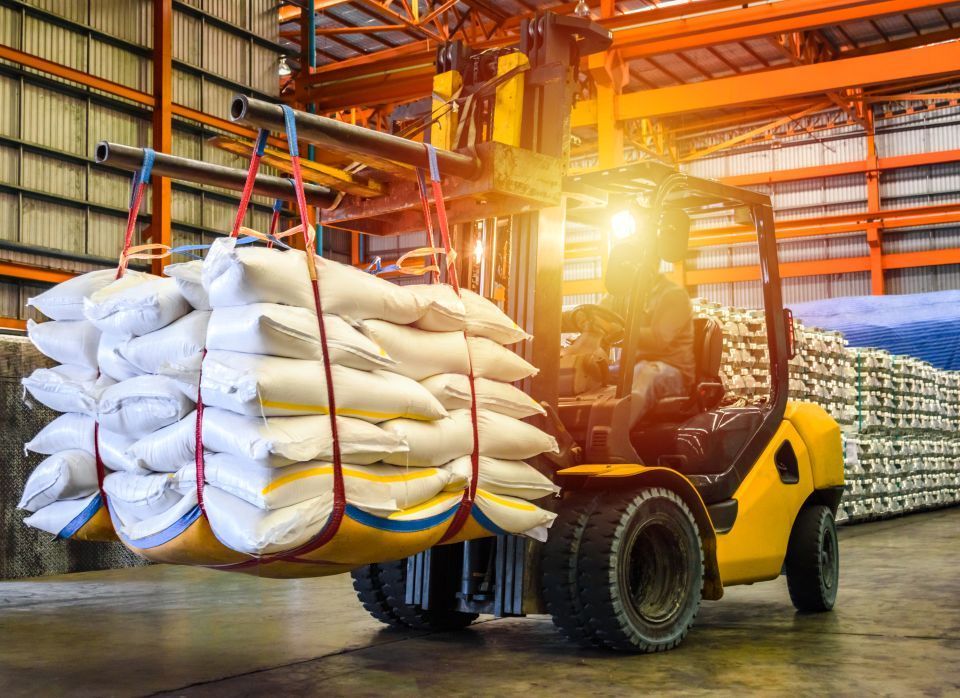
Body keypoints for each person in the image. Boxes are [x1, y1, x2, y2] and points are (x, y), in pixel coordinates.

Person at [562, 243, 695, 428]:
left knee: (643, 374)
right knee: (591, 371)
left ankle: (615, 435)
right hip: (630, 367)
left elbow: (659, 341)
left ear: (651, 264)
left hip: (671, 371)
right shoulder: (619, 295)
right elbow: (601, 315)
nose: (625, 270)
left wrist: (618, 330)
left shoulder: (673, 296)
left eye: (630, 264)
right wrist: (589, 324)